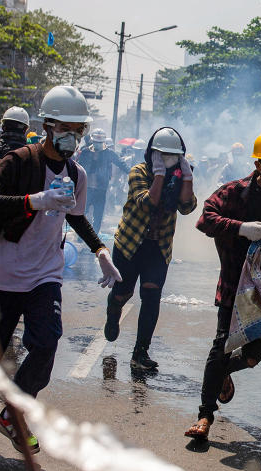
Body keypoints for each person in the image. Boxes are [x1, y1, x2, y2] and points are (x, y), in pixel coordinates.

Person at [0, 85, 122, 454]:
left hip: (45, 274)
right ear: (48, 125)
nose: (73, 137)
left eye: (79, 129)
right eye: (67, 127)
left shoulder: (78, 175)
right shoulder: (19, 161)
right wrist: (34, 201)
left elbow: (76, 218)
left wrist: (100, 249)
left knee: (46, 343)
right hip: (2, 273)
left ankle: (14, 414)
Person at [184, 129, 261, 440]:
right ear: (259, 165)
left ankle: (223, 373)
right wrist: (240, 229)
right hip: (235, 284)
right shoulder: (234, 193)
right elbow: (204, 219)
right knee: (222, 344)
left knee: (251, 357)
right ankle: (205, 415)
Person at [102, 127, 197, 371]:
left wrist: (187, 176)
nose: (168, 159)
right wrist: (159, 174)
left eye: (173, 155)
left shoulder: (180, 175)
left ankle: (140, 353)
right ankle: (114, 311)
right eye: (162, 155)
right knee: (123, 294)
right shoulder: (139, 172)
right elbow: (149, 202)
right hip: (130, 244)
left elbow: (187, 206)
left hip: (158, 246)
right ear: (151, 155)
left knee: (151, 296)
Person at [77, 127, 127, 232]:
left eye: (100, 142)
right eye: (96, 142)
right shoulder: (86, 152)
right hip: (87, 189)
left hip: (101, 189)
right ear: (92, 140)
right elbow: (77, 167)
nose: (97, 144)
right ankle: (82, 235)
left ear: (103, 141)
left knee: (98, 216)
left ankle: (94, 237)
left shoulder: (109, 153)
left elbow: (121, 163)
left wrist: (133, 171)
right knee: (82, 214)